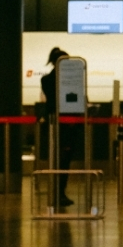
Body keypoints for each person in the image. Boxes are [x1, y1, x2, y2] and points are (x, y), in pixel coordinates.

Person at [40, 47, 78, 207]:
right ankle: (58, 192)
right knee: (61, 159)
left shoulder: (49, 79)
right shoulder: (53, 80)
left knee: (62, 159)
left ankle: (59, 191)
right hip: (61, 124)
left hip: (61, 123)